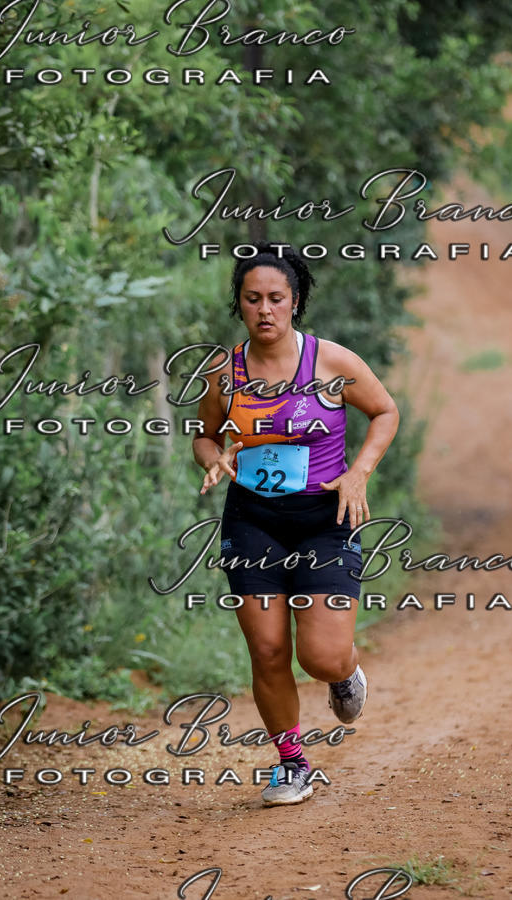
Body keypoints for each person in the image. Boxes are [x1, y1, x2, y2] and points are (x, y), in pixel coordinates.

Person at [193, 243, 399, 806]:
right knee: (266, 650)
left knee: (321, 657)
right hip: (252, 520)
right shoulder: (223, 372)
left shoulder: (332, 362)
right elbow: (205, 433)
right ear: (239, 304)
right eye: (252, 298)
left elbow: (385, 411)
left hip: (326, 520)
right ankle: (292, 763)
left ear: (296, 301)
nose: (264, 309)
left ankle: (345, 674)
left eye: (276, 299)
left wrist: (359, 472)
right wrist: (212, 457)